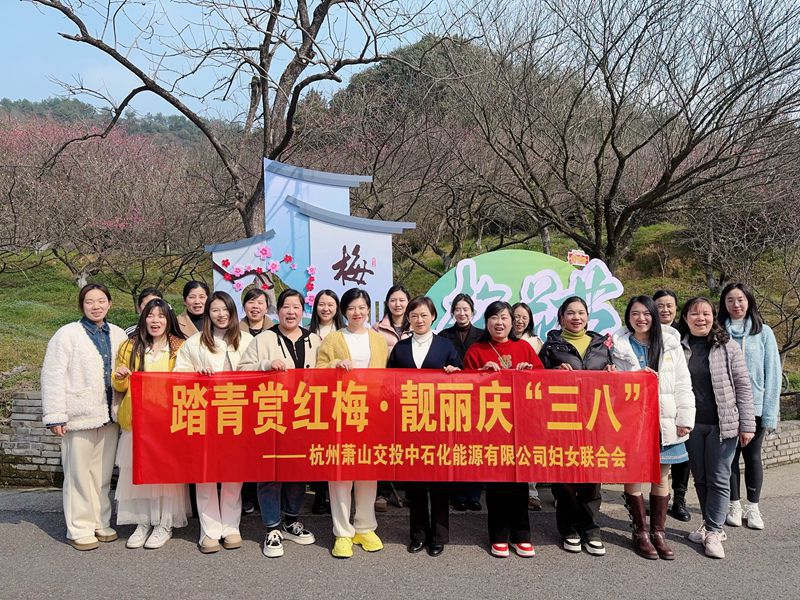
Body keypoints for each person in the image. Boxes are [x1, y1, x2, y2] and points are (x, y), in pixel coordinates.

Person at [41, 283, 127, 550]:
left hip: (109, 415)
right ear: (82, 305)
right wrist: (56, 415)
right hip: (79, 415)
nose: (96, 306)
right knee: (78, 474)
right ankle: (79, 527)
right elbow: (52, 375)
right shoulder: (67, 334)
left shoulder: (118, 333)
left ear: (109, 304)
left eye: (101, 301)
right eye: (90, 301)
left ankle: (101, 521)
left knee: (102, 474)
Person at [239, 289, 323, 558]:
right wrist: (264, 365)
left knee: (297, 470)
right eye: (286, 307)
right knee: (270, 472)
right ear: (278, 311)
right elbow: (241, 371)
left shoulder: (315, 340)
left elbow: (325, 375)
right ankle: (272, 527)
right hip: (270, 416)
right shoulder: (264, 339)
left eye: (296, 307)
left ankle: (290, 521)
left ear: (302, 311)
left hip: (303, 415)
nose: (291, 312)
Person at [612, 296, 695, 560]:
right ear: (628, 318)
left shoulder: (670, 344)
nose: (641, 319)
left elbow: (683, 382)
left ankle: (659, 532)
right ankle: (640, 532)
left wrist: (685, 418)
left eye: (646, 313)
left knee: (661, 476)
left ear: (654, 316)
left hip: (664, 419)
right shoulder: (618, 346)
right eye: (635, 314)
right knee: (634, 474)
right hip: (632, 422)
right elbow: (614, 388)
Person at [174, 291, 253, 554]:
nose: (221, 315)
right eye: (215, 310)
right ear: (208, 314)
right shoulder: (194, 343)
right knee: (205, 472)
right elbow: (178, 376)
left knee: (234, 473)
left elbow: (259, 373)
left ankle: (231, 526)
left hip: (237, 415)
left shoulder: (247, 340)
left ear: (233, 313)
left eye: (226, 310)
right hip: (205, 417)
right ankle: (209, 529)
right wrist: (197, 376)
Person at [464, 300, 543, 558]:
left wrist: (529, 372)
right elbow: (463, 389)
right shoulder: (476, 350)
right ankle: (498, 535)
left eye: (504, 317)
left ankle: (522, 535)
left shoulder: (524, 348)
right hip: (490, 426)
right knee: (497, 483)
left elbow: (543, 382)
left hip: (521, 425)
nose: (500, 322)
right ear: (486, 322)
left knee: (519, 482)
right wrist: (480, 373)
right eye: (494, 318)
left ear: (513, 322)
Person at [678, 296, 756, 559]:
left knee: (719, 478)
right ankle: (709, 523)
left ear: (714, 317)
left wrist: (747, 425)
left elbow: (743, 387)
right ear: (685, 318)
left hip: (723, 424)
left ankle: (714, 530)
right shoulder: (678, 347)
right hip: (691, 425)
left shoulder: (728, 347)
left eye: (706, 314)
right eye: (694, 314)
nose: (700, 318)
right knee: (700, 478)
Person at [387, 296, 463, 557]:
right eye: (414, 316)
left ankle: (439, 536)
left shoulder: (445, 345)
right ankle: (417, 534)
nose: (419, 320)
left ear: (433, 317)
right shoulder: (400, 348)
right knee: (415, 484)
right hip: (409, 423)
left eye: (423, 315)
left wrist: (454, 372)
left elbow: (463, 380)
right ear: (408, 318)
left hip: (439, 423)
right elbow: (389, 384)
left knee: (439, 483)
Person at [539, 296, 614, 556]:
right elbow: (536, 383)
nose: (576, 317)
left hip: (594, 420)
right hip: (562, 421)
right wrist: (552, 374)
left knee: (592, 477)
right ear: (561, 318)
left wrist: (613, 374)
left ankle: (591, 529)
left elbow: (613, 382)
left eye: (581, 312)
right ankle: (568, 529)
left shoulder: (601, 346)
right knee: (566, 478)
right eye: (570, 313)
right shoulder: (551, 346)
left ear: (588, 317)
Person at [112, 298, 190, 549]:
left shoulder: (180, 347)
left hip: (167, 422)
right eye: (150, 315)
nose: (155, 321)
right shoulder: (130, 346)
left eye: (161, 316)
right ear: (143, 317)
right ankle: (142, 522)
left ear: (169, 320)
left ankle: (164, 523)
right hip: (137, 420)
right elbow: (119, 385)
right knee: (137, 474)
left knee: (165, 477)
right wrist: (120, 376)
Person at [317, 288, 389, 558]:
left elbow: (386, 377)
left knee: (368, 472)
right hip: (341, 412)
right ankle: (342, 532)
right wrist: (335, 364)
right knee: (340, 474)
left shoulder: (378, 339)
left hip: (371, 414)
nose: (357, 312)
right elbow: (318, 371)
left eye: (361, 307)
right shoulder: (334, 338)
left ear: (368, 309)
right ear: (344, 311)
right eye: (351, 308)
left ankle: (365, 527)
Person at [718, 283, 781, 530]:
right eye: (730, 300)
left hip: (754, 406)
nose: (736, 305)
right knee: (729, 458)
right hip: (725, 407)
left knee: (752, 456)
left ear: (749, 301)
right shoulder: (718, 332)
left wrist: (769, 413)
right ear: (724, 304)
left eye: (740, 299)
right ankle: (733, 504)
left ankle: (753, 507)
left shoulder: (763, 332)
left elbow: (772, 374)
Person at [439, 293, 485, 512]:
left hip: (478, 398)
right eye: (457, 309)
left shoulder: (483, 335)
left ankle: (474, 494)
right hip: (453, 397)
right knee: (455, 446)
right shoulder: (444, 336)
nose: (462, 313)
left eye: (466, 309)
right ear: (452, 312)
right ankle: (456, 494)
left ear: (472, 312)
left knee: (475, 446)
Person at [653, 289, 692, 522]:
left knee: (682, 458)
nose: (665, 310)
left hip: (684, 400)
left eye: (669, 305)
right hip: (661, 404)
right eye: (660, 305)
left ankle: (679, 499)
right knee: (659, 460)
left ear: (677, 308)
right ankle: (658, 500)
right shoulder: (647, 333)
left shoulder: (684, 333)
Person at [372, 284, 412, 511]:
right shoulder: (376, 330)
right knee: (385, 442)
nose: (398, 304)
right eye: (394, 300)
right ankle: (383, 492)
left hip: (411, 394)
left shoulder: (417, 325)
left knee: (409, 442)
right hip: (384, 393)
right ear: (387, 303)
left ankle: (409, 490)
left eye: (402, 300)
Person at [307, 289, 345, 514]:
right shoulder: (307, 332)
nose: (326, 308)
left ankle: (337, 497)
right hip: (313, 396)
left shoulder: (344, 333)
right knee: (320, 446)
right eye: (322, 304)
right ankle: (320, 495)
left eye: (331, 304)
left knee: (337, 446)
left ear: (337, 308)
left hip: (339, 396)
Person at [511, 301, 544, 510]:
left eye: (524, 317)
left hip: (529, 401)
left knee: (529, 446)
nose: (519, 321)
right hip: (503, 402)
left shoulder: (536, 342)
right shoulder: (499, 340)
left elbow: (542, 371)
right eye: (516, 316)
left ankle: (531, 492)